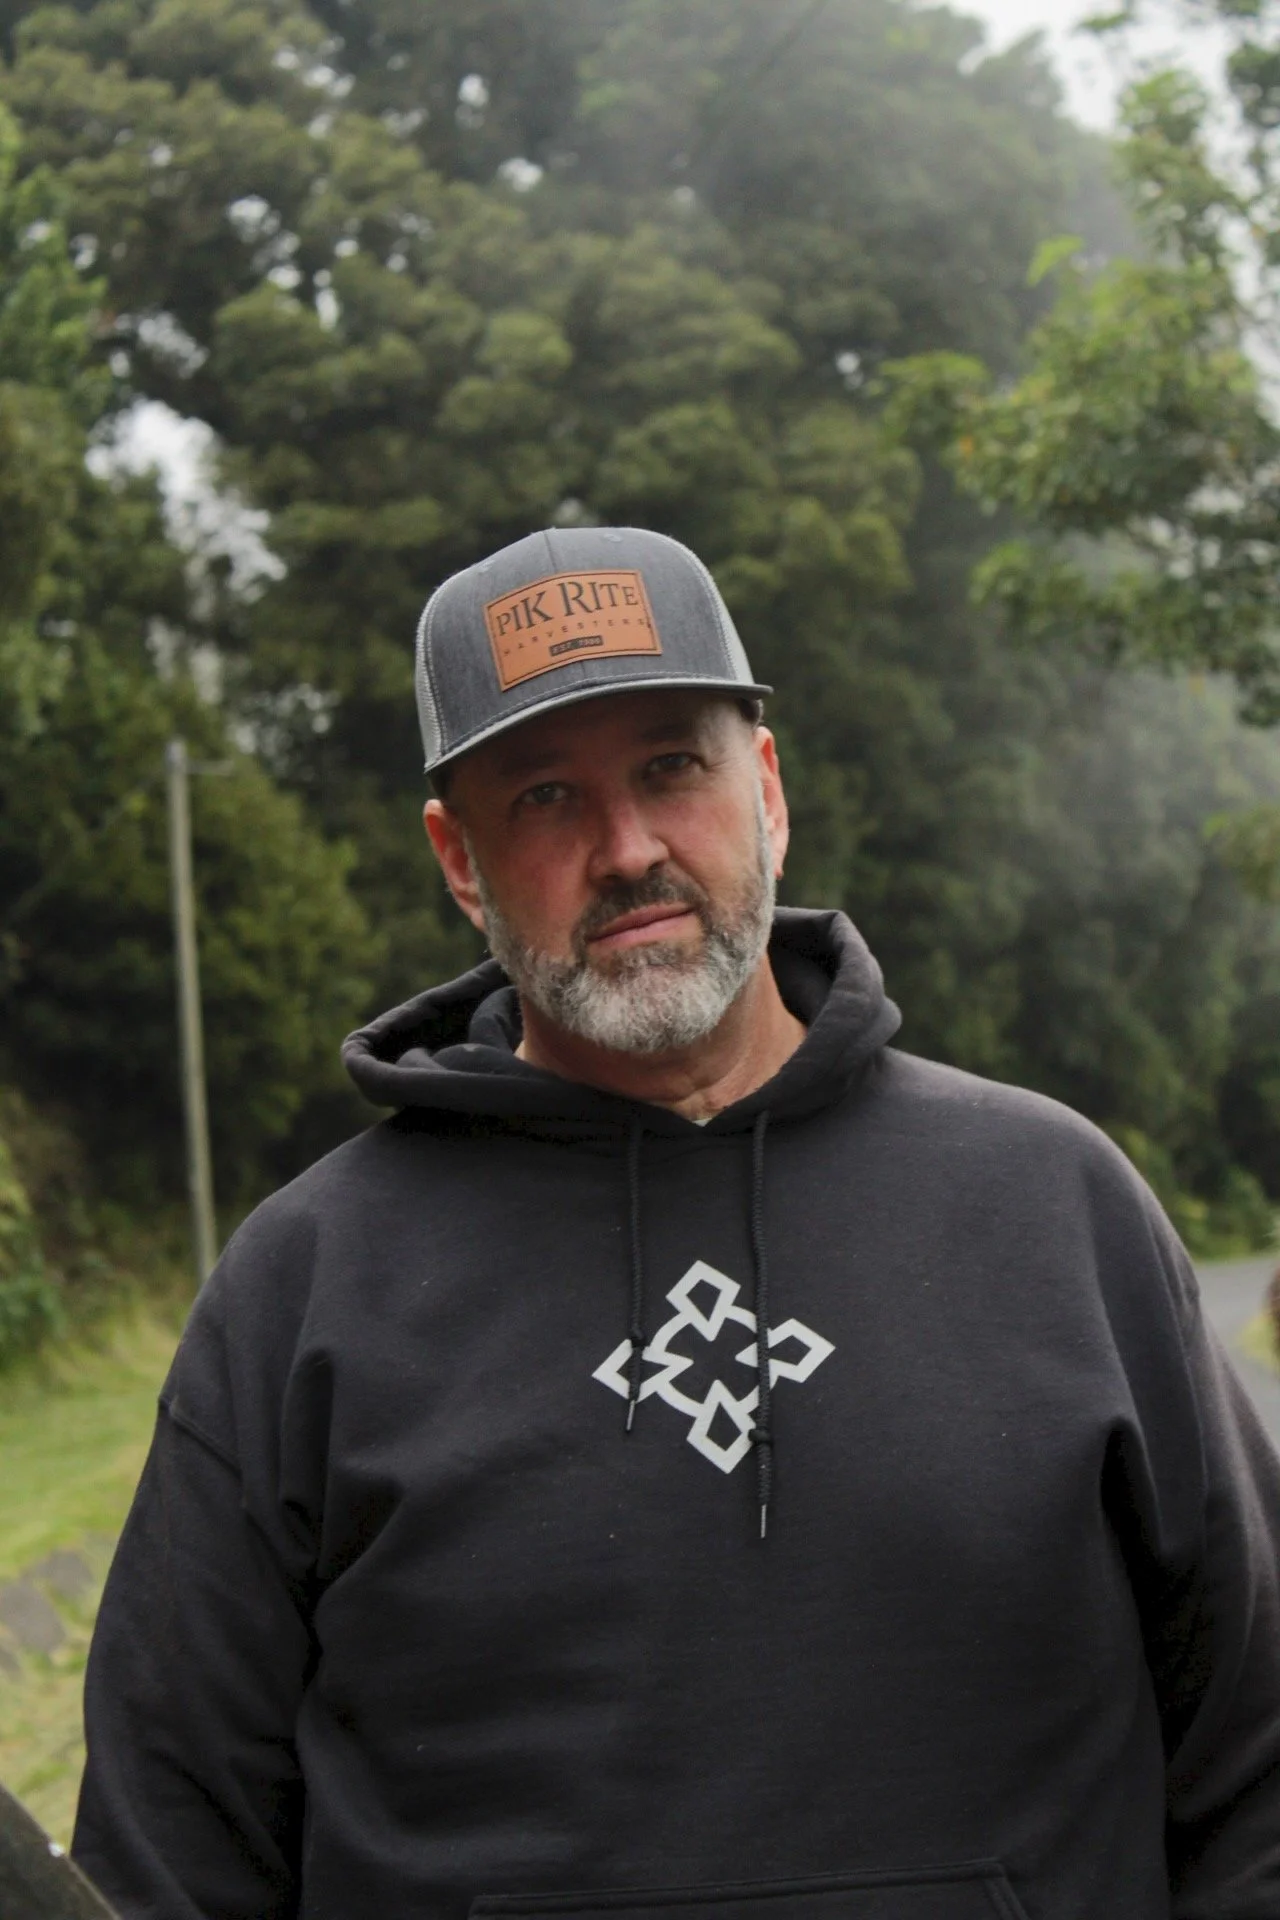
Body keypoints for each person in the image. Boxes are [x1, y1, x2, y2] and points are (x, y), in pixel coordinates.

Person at [73, 527, 1280, 1919]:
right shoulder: (305, 1292)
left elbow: (1256, 1765)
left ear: (765, 788)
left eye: (670, 767)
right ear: (459, 861)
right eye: (544, 797)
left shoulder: (1055, 1207)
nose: (627, 849)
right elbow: (167, 1858)